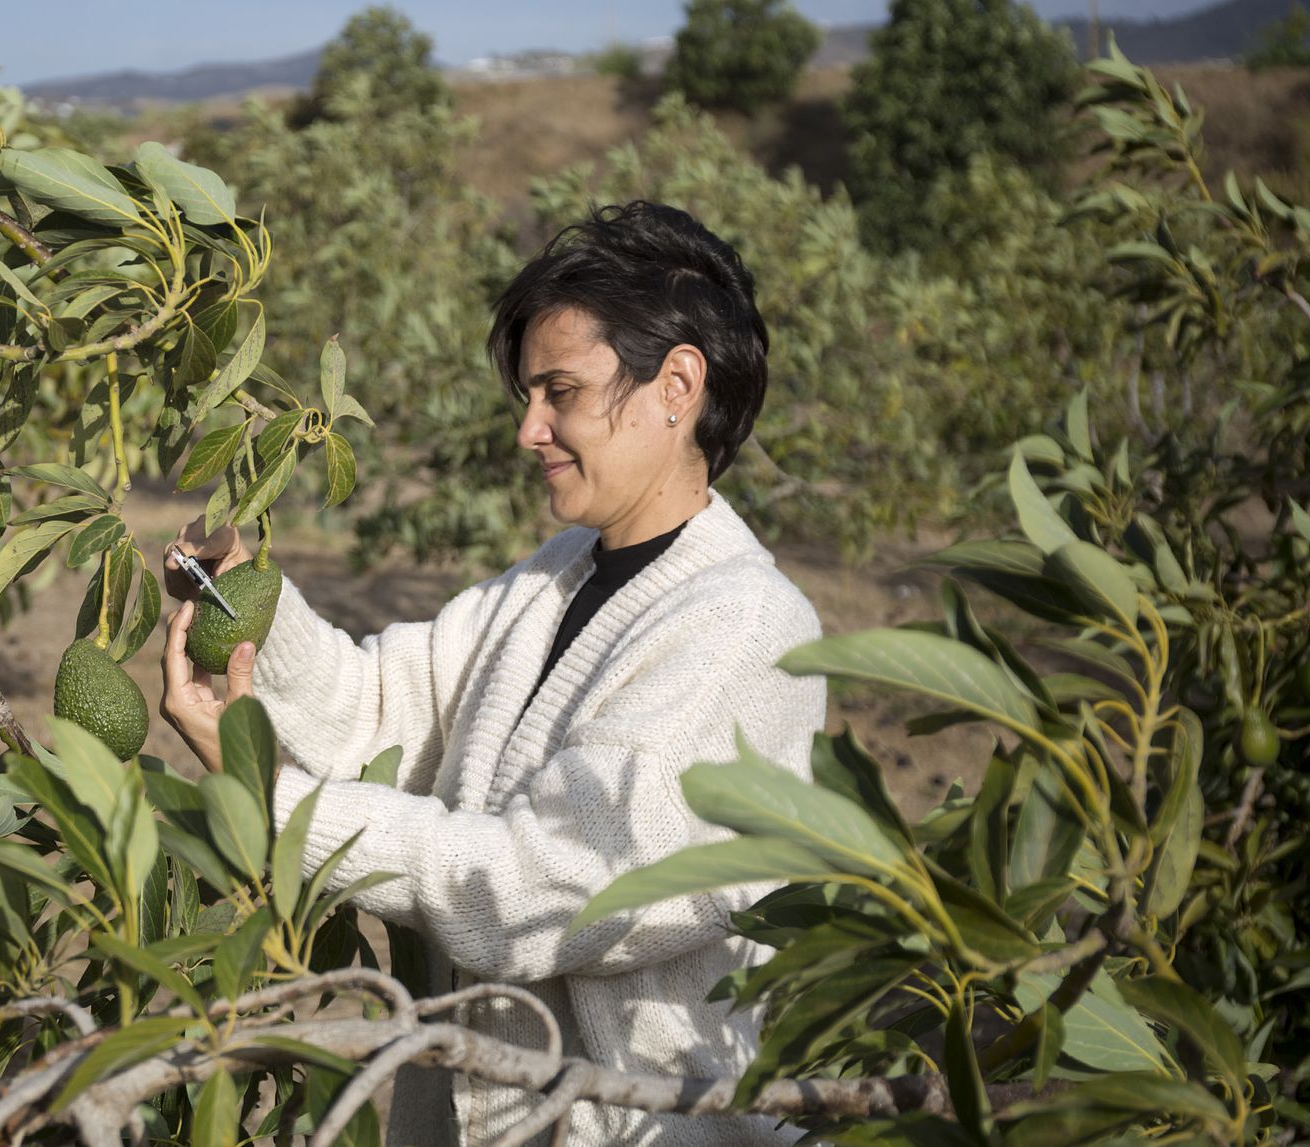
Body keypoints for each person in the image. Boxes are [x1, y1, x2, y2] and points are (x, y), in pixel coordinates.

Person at [160, 201, 827, 1146]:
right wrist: (243, 602)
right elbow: (379, 710)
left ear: (678, 382)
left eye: (560, 391)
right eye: (528, 396)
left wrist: (268, 802)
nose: (530, 429)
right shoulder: (554, 578)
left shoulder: (746, 629)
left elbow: (543, 887)